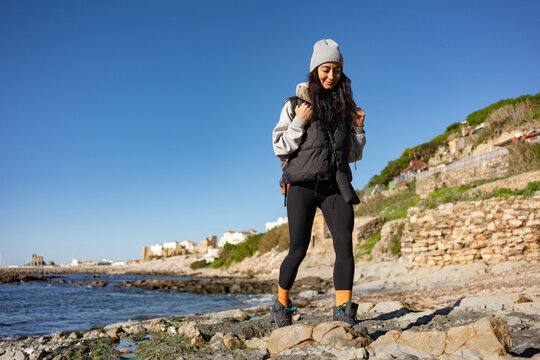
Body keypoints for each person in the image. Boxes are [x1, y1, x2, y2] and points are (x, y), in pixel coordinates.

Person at [271, 39, 367, 329]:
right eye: (326, 69)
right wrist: (299, 122)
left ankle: (343, 310)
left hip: (336, 185)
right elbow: (279, 146)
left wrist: (359, 129)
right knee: (298, 250)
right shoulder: (294, 104)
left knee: (344, 246)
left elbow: (354, 154)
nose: (331, 76)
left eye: (337, 70)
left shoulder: (343, 109)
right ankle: (281, 303)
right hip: (301, 184)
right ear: (315, 70)